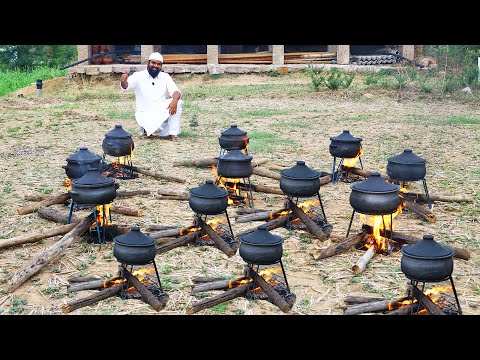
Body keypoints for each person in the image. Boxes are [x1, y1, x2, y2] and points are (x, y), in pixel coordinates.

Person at [120, 52, 183, 141]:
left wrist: (175, 100)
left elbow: (176, 91)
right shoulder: (138, 76)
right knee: (148, 123)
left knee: (178, 102)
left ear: (161, 66)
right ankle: (146, 130)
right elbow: (126, 86)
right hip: (145, 114)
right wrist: (123, 81)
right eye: (153, 63)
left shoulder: (165, 77)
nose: (155, 66)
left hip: (159, 112)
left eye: (159, 64)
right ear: (148, 63)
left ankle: (173, 134)